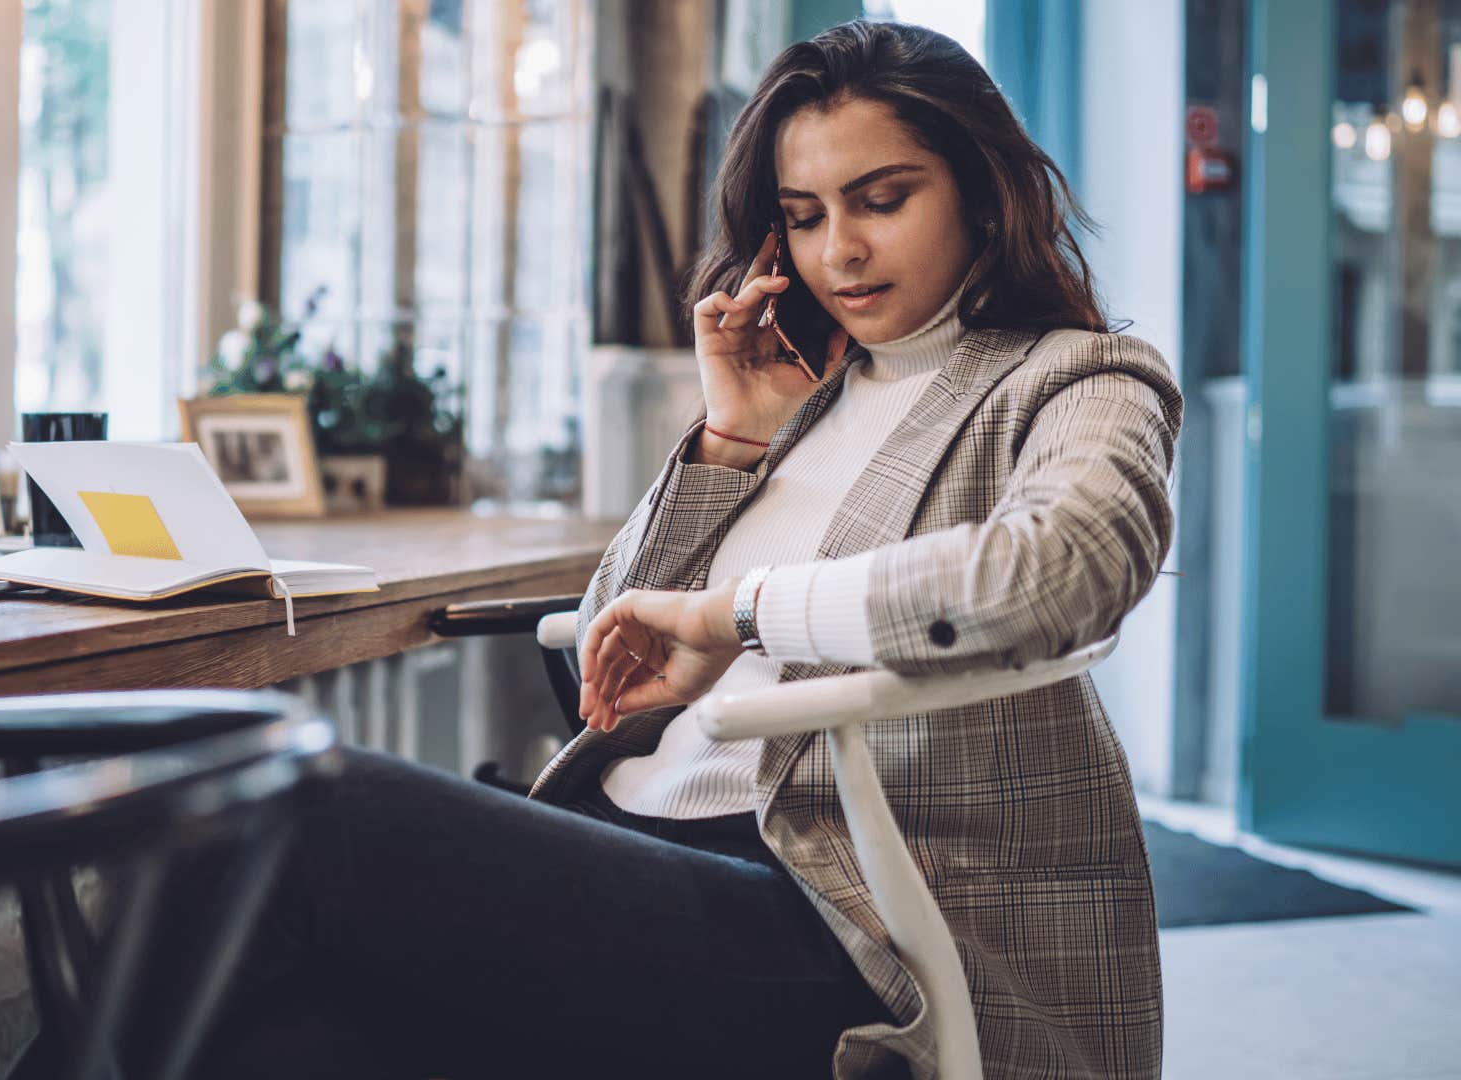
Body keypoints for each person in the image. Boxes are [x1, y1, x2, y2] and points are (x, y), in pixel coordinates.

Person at [140, 19, 1179, 1079]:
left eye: (883, 199)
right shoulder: (803, 399)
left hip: (842, 913)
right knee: (284, 1036)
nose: (840, 253)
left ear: (979, 187)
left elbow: (1063, 567)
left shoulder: (1073, 378)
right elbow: (612, 642)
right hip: (635, 842)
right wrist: (733, 436)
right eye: (803, 217)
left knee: (296, 805)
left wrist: (735, 613)